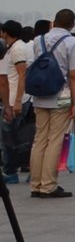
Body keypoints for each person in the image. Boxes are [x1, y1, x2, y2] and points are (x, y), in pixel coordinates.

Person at [25, 8, 75, 199]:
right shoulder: (73, 42)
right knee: (55, 140)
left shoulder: (38, 40)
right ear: (72, 24)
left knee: (39, 139)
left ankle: (35, 184)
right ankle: (49, 185)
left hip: (39, 94)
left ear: (54, 22)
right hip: (61, 95)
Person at [2, 20, 34, 183]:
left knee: (11, 137)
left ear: (5, 33)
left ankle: (11, 171)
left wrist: (17, 101)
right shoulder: (15, 48)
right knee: (16, 137)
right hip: (17, 97)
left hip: (16, 98)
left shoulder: (17, 49)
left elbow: (22, 75)